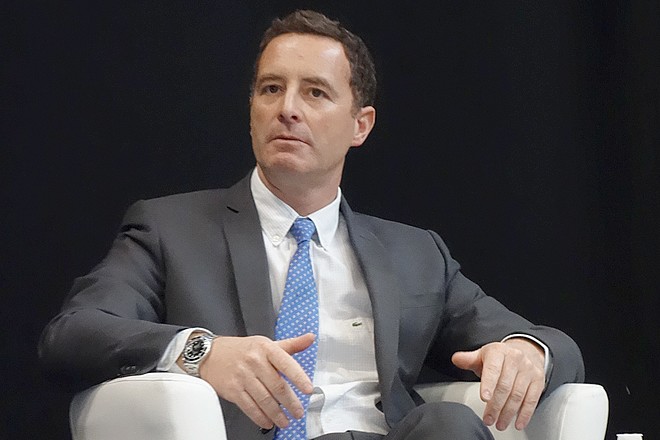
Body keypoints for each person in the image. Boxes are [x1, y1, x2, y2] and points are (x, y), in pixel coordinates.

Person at [38, 9, 584, 440]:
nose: (288, 109)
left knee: (448, 425)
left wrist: (526, 352)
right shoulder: (170, 229)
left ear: (360, 125)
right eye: (271, 89)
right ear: (251, 109)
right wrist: (201, 352)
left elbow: (551, 343)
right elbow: (72, 334)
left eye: (315, 92)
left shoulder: (415, 254)